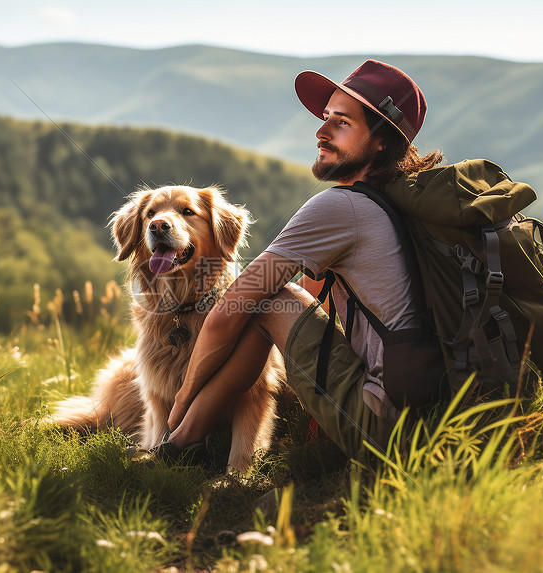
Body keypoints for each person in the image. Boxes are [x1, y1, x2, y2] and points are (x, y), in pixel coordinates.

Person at [162, 60, 444, 462]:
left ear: (381, 141)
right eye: (326, 117)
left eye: (341, 123)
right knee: (280, 297)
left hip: (389, 431)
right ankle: (195, 440)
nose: (321, 131)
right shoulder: (401, 198)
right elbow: (315, 301)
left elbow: (232, 309)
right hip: (435, 413)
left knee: (268, 300)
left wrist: (183, 397)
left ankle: (181, 440)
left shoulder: (340, 207)